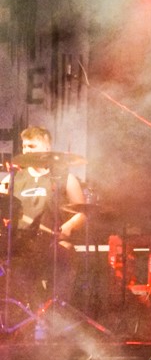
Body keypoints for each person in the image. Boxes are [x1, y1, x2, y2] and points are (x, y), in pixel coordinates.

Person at [0, 126, 86, 315]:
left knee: (65, 253)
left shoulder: (65, 178)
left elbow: (83, 212)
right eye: (24, 146)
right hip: (22, 246)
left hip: (53, 243)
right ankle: (21, 316)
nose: (26, 150)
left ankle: (56, 316)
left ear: (47, 148)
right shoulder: (12, 180)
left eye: (32, 146)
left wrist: (69, 226)